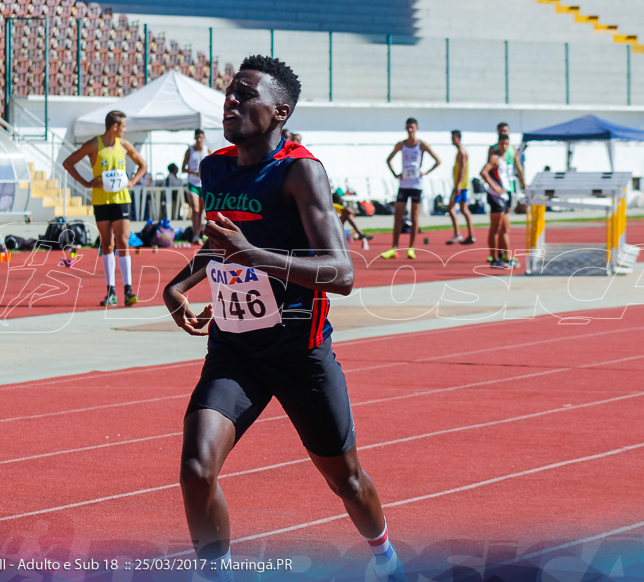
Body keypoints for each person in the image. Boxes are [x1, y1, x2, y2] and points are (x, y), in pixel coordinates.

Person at [162, 56, 405, 582]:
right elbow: (219, 246)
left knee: (348, 482)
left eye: (245, 94)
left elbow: (340, 274)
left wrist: (254, 254)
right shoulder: (215, 168)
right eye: (229, 92)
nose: (231, 100)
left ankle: (386, 559)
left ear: (279, 111)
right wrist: (177, 286)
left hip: (300, 351)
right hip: (235, 351)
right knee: (196, 468)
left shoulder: (301, 171)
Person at [63, 110, 147, 307]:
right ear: (115, 127)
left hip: (121, 199)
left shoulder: (124, 145)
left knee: (123, 241)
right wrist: (86, 183)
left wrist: (133, 181)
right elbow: (68, 162)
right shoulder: (94, 145)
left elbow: (143, 165)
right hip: (101, 200)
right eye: (123, 127)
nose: (125, 131)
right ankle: (110, 292)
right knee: (107, 243)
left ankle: (128, 290)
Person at [380, 118, 441, 260]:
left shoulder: (422, 145)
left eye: (412, 127)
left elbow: (437, 161)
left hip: (416, 185)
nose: (410, 130)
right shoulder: (402, 145)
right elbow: (389, 159)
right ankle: (394, 247)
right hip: (404, 185)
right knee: (398, 216)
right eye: (408, 127)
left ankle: (411, 248)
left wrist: (425, 172)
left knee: (414, 216)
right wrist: (396, 174)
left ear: (417, 128)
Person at [485, 123, 526, 263]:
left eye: (506, 131)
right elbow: (486, 171)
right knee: (498, 227)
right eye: (501, 131)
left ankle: (502, 255)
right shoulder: (494, 152)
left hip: (507, 191)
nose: (504, 146)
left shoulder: (511, 150)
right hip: (497, 194)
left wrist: (523, 183)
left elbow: (518, 166)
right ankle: (497, 256)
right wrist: (494, 187)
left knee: (503, 227)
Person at [182, 128, 212, 243]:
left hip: (204, 183)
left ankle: (201, 234)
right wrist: (193, 171)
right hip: (193, 183)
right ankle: (195, 234)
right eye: (197, 137)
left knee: (203, 210)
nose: (199, 140)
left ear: (203, 138)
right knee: (195, 209)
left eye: (201, 137)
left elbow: (213, 165)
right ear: (195, 138)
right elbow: (183, 168)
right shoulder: (190, 150)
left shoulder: (207, 150)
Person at [446, 130, 475, 245]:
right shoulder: (460, 151)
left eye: (453, 138)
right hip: (462, 185)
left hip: (460, 186)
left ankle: (457, 233)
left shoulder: (462, 152)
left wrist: (458, 184)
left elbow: (463, 168)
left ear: (458, 138)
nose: (452, 140)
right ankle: (471, 234)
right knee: (464, 210)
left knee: (450, 208)